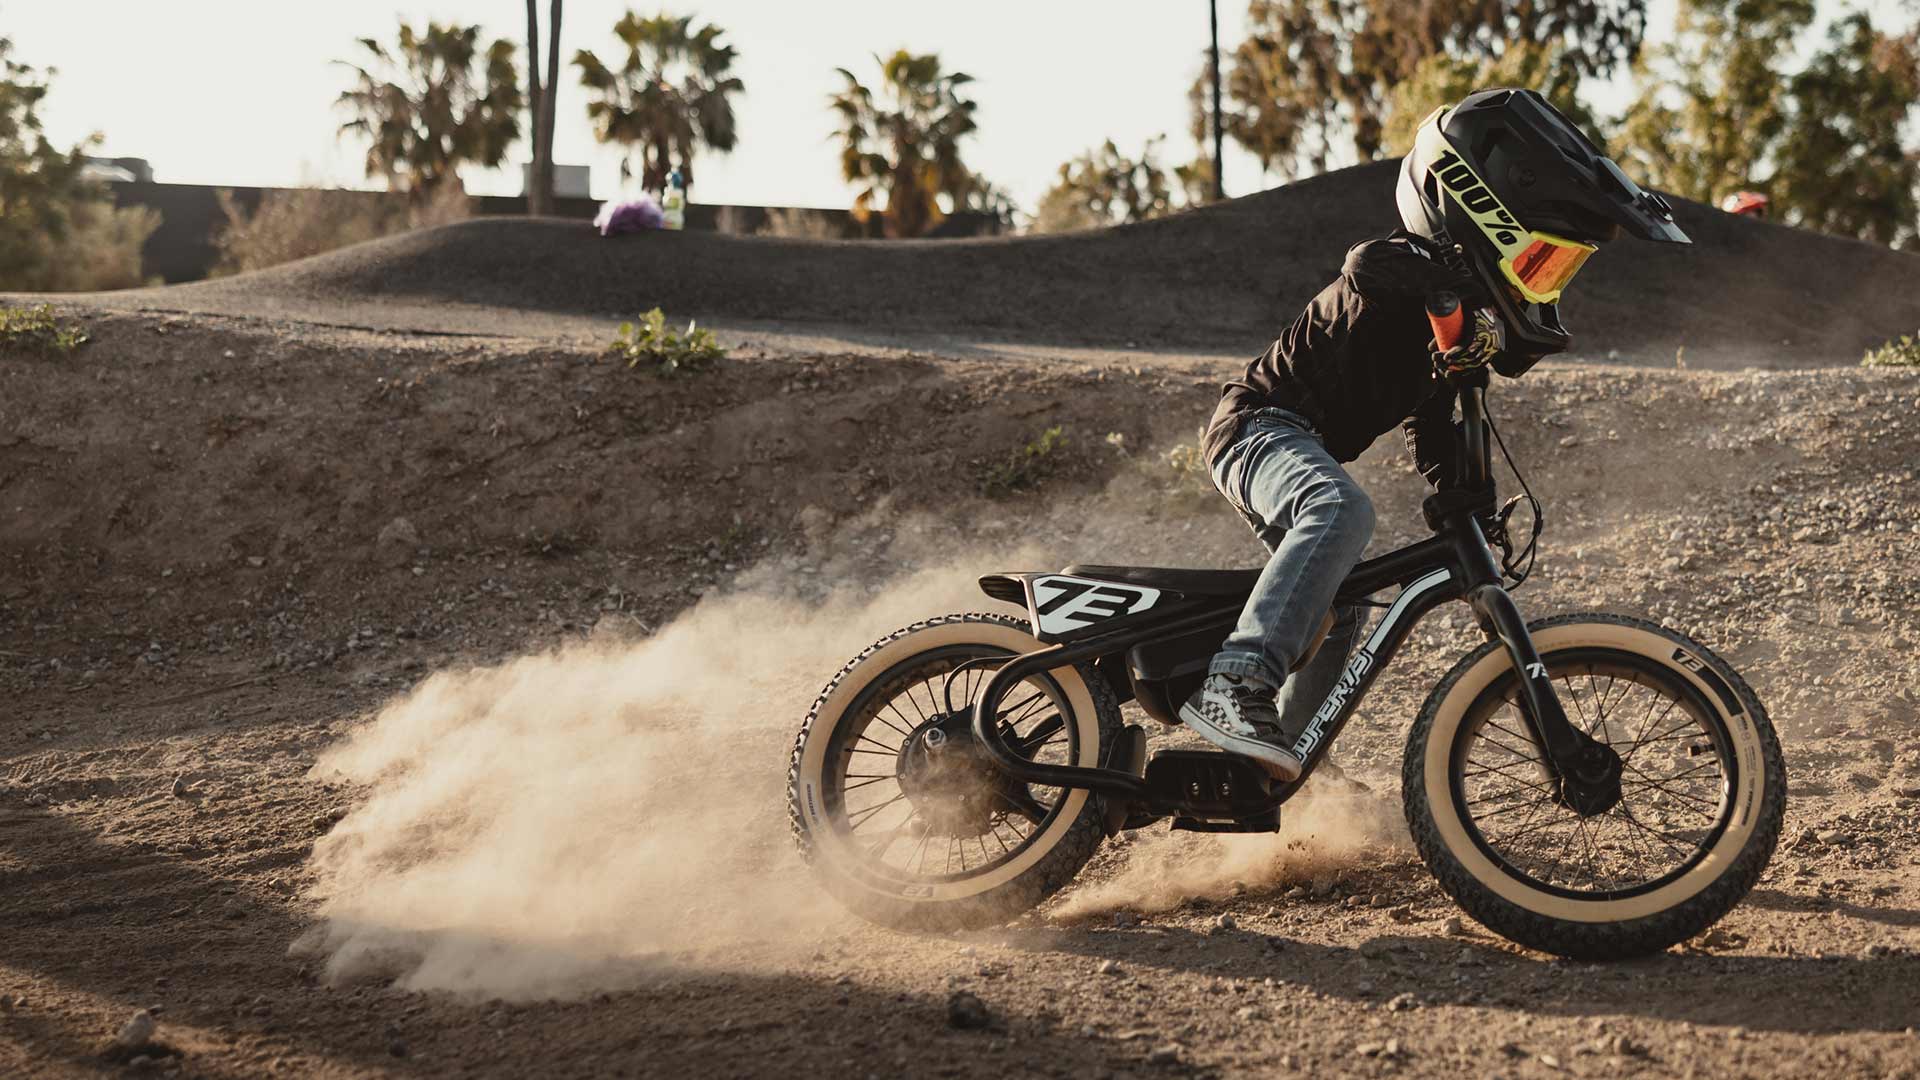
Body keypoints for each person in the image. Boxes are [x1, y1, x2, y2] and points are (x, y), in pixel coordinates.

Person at [1178, 88, 1691, 779]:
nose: (1547, 281)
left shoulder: (1444, 332)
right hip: (1256, 429)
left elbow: (1433, 433)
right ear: (1488, 221)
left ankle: (1279, 758)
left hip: (1297, 442)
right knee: (1339, 510)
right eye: (1543, 260)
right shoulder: (1403, 270)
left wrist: (1467, 503)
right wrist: (1445, 286)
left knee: (1346, 602)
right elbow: (1367, 263)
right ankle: (1236, 679)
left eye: (1560, 269)